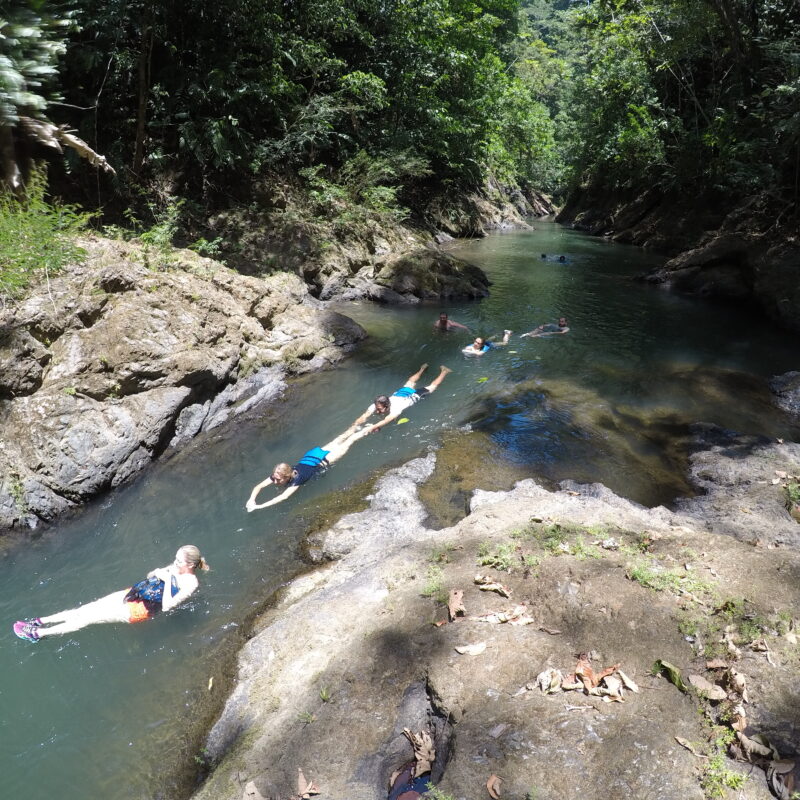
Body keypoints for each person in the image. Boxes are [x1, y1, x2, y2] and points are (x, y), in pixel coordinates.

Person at [12, 545, 209, 642]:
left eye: (179, 561)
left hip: (141, 610)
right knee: (84, 609)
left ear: (190, 565)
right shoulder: (175, 568)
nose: (174, 563)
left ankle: (38, 634)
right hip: (133, 594)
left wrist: (166, 580)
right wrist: (156, 573)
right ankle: (40, 621)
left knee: (87, 619)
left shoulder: (190, 583)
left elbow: (167, 606)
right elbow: (151, 577)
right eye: (175, 559)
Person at [246, 427, 367, 511]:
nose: (275, 481)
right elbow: (258, 487)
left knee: (349, 441)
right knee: (341, 438)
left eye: (278, 479)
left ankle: (367, 429)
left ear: (287, 476)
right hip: (312, 455)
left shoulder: (296, 480)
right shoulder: (278, 474)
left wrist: (260, 506)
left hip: (323, 460)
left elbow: (283, 497)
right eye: (275, 478)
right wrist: (252, 500)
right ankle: (358, 425)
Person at [348, 363, 452, 435]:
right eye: (377, 408)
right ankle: (422, 369)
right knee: (410, 382)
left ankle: (444, 371)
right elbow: (364, 416)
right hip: (400, 394)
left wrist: (371, 428)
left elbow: (386, 421)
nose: (377, 410)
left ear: (387, 405)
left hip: (412, 397)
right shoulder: (376, 405)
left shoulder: (396, 409)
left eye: (380, 409)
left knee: (431, 387)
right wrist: (354, 425)